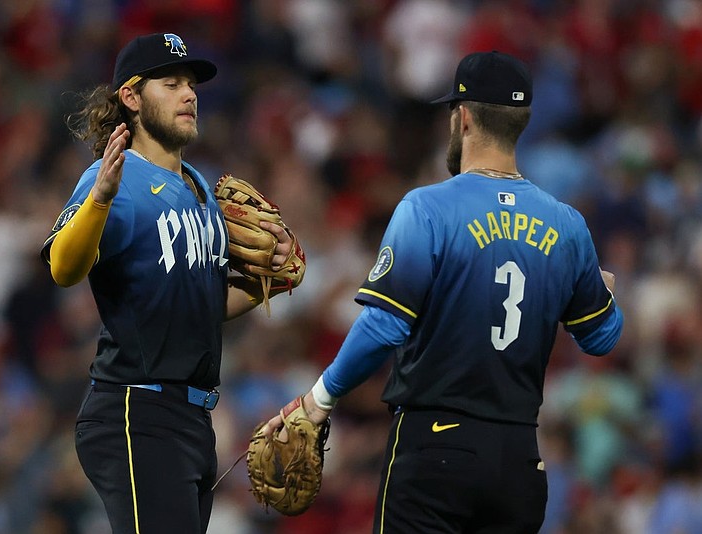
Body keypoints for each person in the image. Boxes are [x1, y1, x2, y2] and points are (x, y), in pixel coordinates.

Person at [265, 50, 624, 533]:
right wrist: (608, 295)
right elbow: (601, 338)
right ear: (521, 121)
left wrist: (319, 399)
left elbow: (385, 324)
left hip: (434, 447)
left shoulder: (427, 208)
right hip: (518, 459)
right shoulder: (567, 226)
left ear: (464, 117)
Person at [40, 32, 298, 534]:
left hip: (193, 419)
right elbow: (63, 270)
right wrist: (99, 200)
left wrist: (272, 282)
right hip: (136, 410)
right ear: (131, 98)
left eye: (191, 84)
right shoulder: (113, 177)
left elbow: (203, 303)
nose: (189, 94)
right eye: (171, 82)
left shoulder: (200, 186)